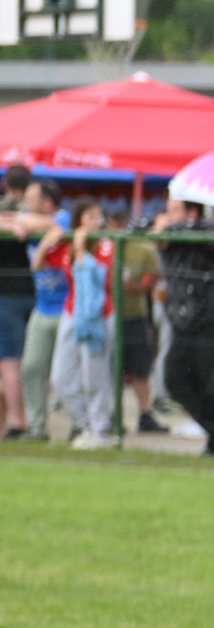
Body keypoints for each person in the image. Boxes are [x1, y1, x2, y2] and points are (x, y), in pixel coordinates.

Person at [157, 200, 214, 454]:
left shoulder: (206, 231)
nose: (168, 216)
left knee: (211, 380)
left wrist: (167, 229)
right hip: (182, 318)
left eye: (174, 210)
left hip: (211, 317)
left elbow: (213, 238)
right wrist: (160, 227)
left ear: (192, 212)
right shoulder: (168, 232)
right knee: (174, 376)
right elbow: (138, 226)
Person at [53, 200, 118, 448]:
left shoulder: (106, 243)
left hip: (98, 314)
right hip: (71, 311)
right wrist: (49, 242)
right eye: (90, 217)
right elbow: (40, 264)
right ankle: (85, 423)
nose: (96, 222)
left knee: (95, 376)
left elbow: (98, 279)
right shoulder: (69, 242)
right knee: (61, 377)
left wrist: (81, 252)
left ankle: (99, 430)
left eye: (98, 216)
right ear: (78, 220)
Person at [20, 183, 67, 437]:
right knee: (31, 367)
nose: (26, 204)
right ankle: (37, 427)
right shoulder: (29, 219)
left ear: (47, 203)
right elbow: (17, 220)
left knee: (65, 375)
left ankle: (81, 425)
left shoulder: (65, 216)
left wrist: (33, 224)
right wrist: (22, 223)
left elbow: (59, 225)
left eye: (31, 199)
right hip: (42, 308)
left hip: (68, 308)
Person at [0, 164, 38, 437]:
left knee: (10, 363)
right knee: (31, 362)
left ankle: (19, 423)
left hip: (9, 297)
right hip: (35, 293)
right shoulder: (35, 212)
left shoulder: (25, 213)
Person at [117, 222, 165, 435]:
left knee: (140, 367)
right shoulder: (103, 245)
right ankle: (113, 414)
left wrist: (141, 286)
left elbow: (155, 273)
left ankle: (145, 414)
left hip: (136, 315)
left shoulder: (143, 248)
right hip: (109, 315)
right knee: (111, 368)